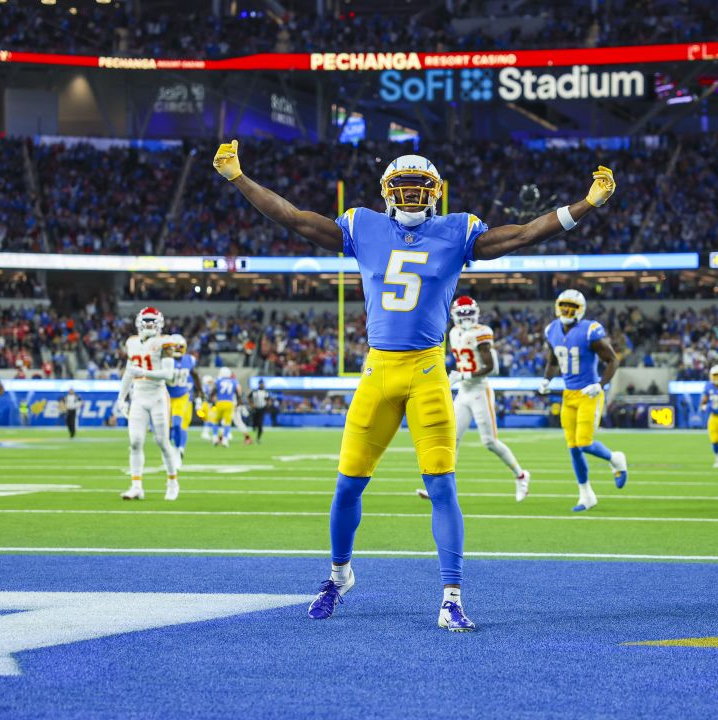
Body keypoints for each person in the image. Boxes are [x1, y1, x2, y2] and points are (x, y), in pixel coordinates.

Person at [213, 137, 616, 630]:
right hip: (379, 369)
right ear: (387, 192)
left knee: (442, 486)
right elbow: (294, 218)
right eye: (401, 187)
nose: (409, 196)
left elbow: (524, 235)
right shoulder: (363, 225)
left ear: (435, 192)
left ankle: (451, 596)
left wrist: (587, 205)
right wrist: (238, 178)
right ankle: (339, 576)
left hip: (427, 370)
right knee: (346, 486)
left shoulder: (458, 231)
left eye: (418, 187)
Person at [536, 289, 629, 512]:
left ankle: (615, 458)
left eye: (572, 306)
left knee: (584, 443)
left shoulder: (590, 330)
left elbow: (613, 360)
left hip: (589, 393)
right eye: (564, 305)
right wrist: (547, 380)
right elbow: (552, 361)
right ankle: (586, 495)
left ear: (580, 310)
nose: (567, 310)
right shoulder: (552, 330)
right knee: (573, 448)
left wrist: (600, 384)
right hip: (569, 394)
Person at [440, 296, 530, 500]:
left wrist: (463, 375)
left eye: (468, 313)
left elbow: (493, 368)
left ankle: (521, 475)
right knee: (451, 439)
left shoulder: (482, 332)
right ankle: (444, 487)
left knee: (489, 442)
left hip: (480, 391)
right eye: (461, 314)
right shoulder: (453, 333)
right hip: (463, 391)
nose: (465, 318)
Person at [116, 307, 182, 501]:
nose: (149, 324)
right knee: (135, 442)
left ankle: (172, 482)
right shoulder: (132, 343)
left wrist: (143, 373)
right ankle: (136, 486)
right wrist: (121, 397)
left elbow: (168, 376)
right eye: (146, 320)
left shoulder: (165, 343)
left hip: (157, 396)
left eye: (153, 320)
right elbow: (130, 371)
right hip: (138, 396)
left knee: (162, 442)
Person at [165, 334, 201, 465]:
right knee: (166, 429)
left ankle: (179, 450)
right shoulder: (165, 360)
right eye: (176, 347)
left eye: (181, 347)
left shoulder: (189, 360)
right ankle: (169, 451)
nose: (179, 349)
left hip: (181, 396)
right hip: (166, 397)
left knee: (176, 424)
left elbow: (195, 375)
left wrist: (200, 392)